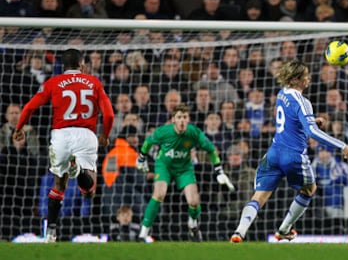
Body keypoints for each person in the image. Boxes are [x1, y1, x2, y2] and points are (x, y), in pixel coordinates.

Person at [230, 60, 348, 243]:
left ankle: (239, 232)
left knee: (259, 196)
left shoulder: (282, 94)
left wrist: (312, 120)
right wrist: (341, 145)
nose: (309, 78)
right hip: (293, 155)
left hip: (273, 153)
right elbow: (312, 132)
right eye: (305, 75)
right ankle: (284, 229)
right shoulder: (303, 101)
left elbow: (292, 120)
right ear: (296, 79)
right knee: (310, 189)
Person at [12, 49, 114, 243]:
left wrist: (19, 128)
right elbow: (108, 114)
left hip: (61, 135)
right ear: (82, 64)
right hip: (86, 134)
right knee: (89, 192)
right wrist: (105, 135)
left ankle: (50, 231)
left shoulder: (53, 82)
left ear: (62, 65)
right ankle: (77, 171)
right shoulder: (94, 82)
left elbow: (30, 107)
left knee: (59, 185)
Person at [136, 104, 235, 242]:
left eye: (184, 117)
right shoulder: (163, 132)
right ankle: (143, 233)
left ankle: (193, 225)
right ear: (173, 120)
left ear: (188, 119)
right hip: (164, 166)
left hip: (184, 168)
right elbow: (148, 142)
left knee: (194, 202)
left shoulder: (194, 133)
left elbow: (211, 150)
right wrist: (141, 158)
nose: (182, 120)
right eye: (179, 117)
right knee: (159, 194)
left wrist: (219, 170)